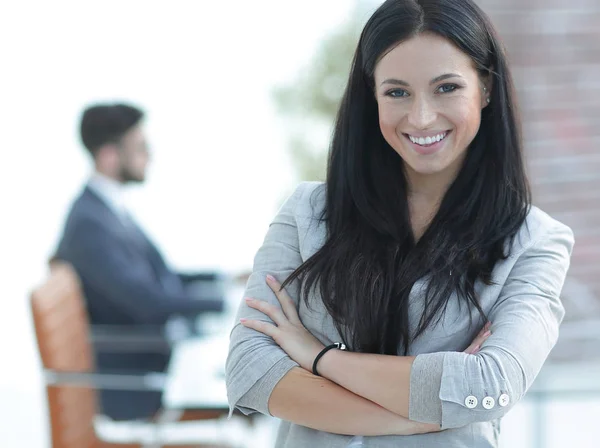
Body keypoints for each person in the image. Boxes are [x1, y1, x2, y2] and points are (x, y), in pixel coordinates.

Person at [225, 0, 574, 446]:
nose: (422, 117)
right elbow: (249, 372)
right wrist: (426, 415)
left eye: (446, 88)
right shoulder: (307, 212)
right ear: (371, 96)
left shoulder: (536, 241)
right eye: (397, 92)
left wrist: (318, 358)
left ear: (485, 87)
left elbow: (489, 388)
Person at [53, 103, 224, 421]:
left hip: (152, 364)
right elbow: (148, 302)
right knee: (256, 392)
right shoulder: (89, 224)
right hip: (138, 384)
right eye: (141, 147)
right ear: (109, 156)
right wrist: (226, 303)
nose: (150, 156)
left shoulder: (108, 210)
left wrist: (225, 280)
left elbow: (160, 277)